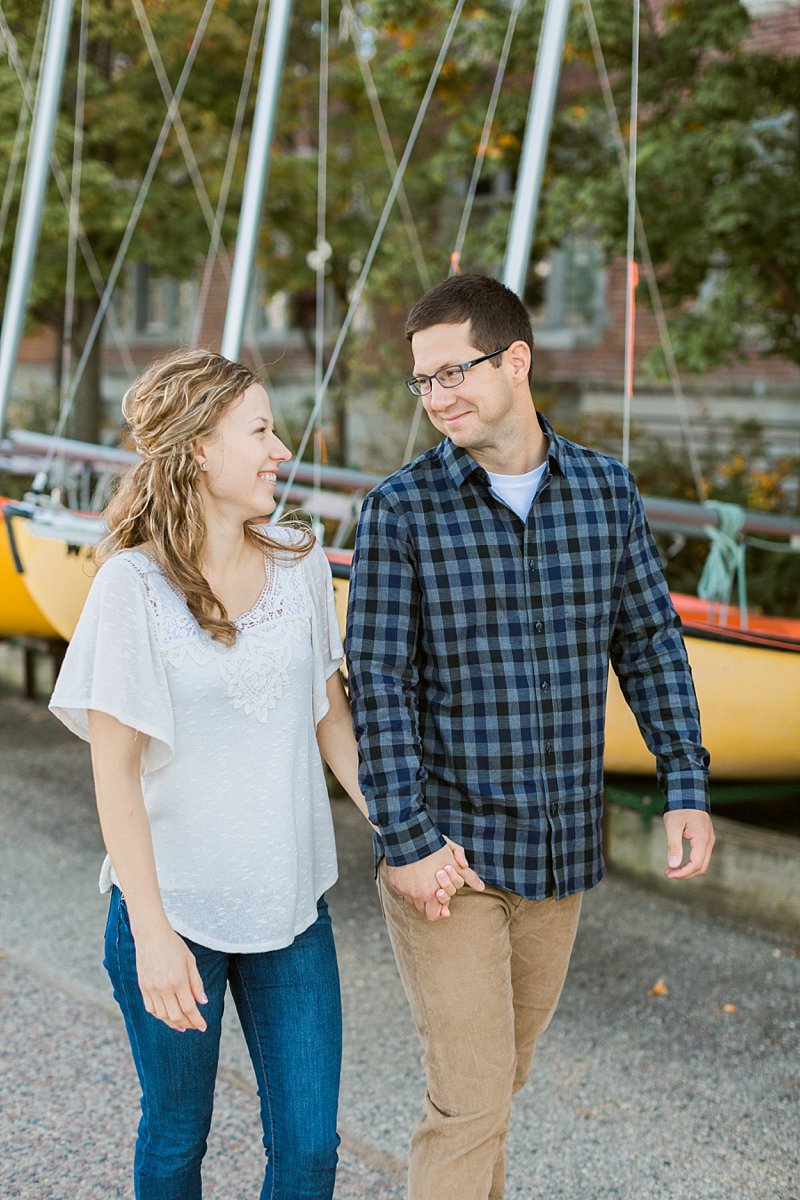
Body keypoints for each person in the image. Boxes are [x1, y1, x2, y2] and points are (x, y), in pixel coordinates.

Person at [48, 348, 466, 1200]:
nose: (282, 449)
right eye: (262, 431)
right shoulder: (131, 587)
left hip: (290, 908)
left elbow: (330, 719)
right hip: (175, 916)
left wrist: (405, 833)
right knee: (175, 1139)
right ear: (201, 448)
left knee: (311, 1152)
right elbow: (115, 776)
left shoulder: (300, 564)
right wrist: (155, 935)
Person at [345, 273, 715, 1200]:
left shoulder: (604, 491)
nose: (438, 398)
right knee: (470, 1104)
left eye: (453, 372)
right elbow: (379, 687)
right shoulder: (402, 511)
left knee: (496, 1092)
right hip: (448, 856)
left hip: (557, 856)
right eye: (423, 382)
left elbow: (651, 643)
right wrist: (407, 839)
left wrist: (685, 782)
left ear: (518, 359)